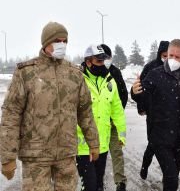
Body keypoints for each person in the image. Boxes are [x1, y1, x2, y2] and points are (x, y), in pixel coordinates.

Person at [0, 22, 99, 191]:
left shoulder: (74, 74)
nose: (62, 45)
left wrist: (93, 142)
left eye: (64, 41)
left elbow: (85, 111)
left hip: (66, 154)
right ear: (46, 43)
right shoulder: (27, 73)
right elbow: (11, 114)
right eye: (57, 41)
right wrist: (7, 156)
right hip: (36, 155)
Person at [131, 39, 180, 191]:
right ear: (167, 54)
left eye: (178, 57)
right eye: (171, 55)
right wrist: (134, 92)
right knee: (172, 179)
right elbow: (142, 94)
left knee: (172, 175)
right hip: (160, 137)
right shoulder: (155, 74)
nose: (173, 60)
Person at [76, 44, 126, 191]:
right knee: (90, 186)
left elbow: (117, 109)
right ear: (88, 61)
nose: (102, 64)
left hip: (102, 144)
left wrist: (122, 135)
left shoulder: (110, 81)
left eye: (104, 60)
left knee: (98, 184)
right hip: (83, 146)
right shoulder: (78, 81)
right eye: (98, 61)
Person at [138, 40, 169, 180]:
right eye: (164, 55)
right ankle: (145, 166)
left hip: (169, 114)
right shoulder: (150, 67)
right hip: (153, 113)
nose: (167, 58)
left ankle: (168, 174)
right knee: (153, 144)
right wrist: (141, 107)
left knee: (168, 145)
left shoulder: (173, 68)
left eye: (169, 55)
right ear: (159, 54)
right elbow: (140, 89)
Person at [100, 43, 128, 190]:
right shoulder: (90, 73)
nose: (105, 60)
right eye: (103, 57)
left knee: (116, 152)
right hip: (97, 124)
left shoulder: (115, 72)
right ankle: (97, 181)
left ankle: (120, 181)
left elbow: (123, 95)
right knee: (98, 155)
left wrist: (115, 117)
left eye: (108, 57)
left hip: (113, 124)